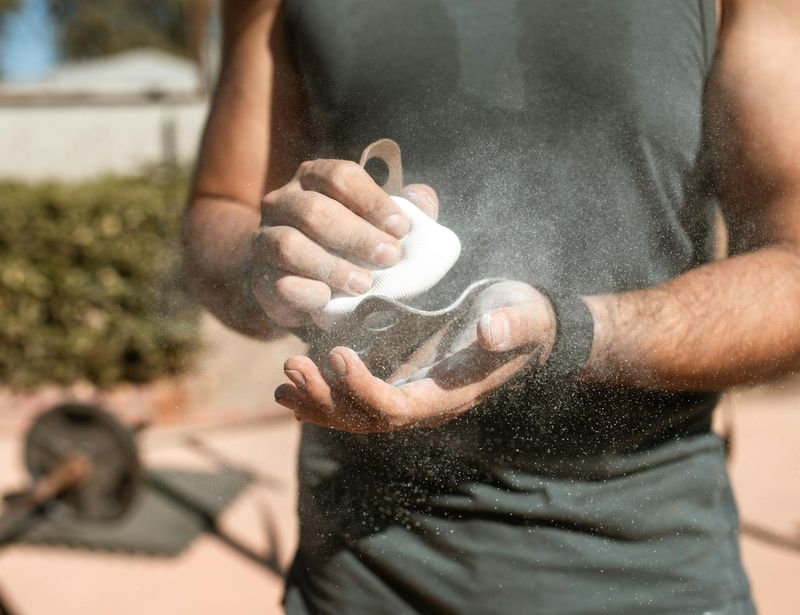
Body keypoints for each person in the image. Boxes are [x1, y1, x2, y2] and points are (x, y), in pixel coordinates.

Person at [184, 0, 800, 612]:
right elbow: (220, 209)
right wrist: (267, 264)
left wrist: (576, 332)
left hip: (647, 569)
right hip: (365, 573)